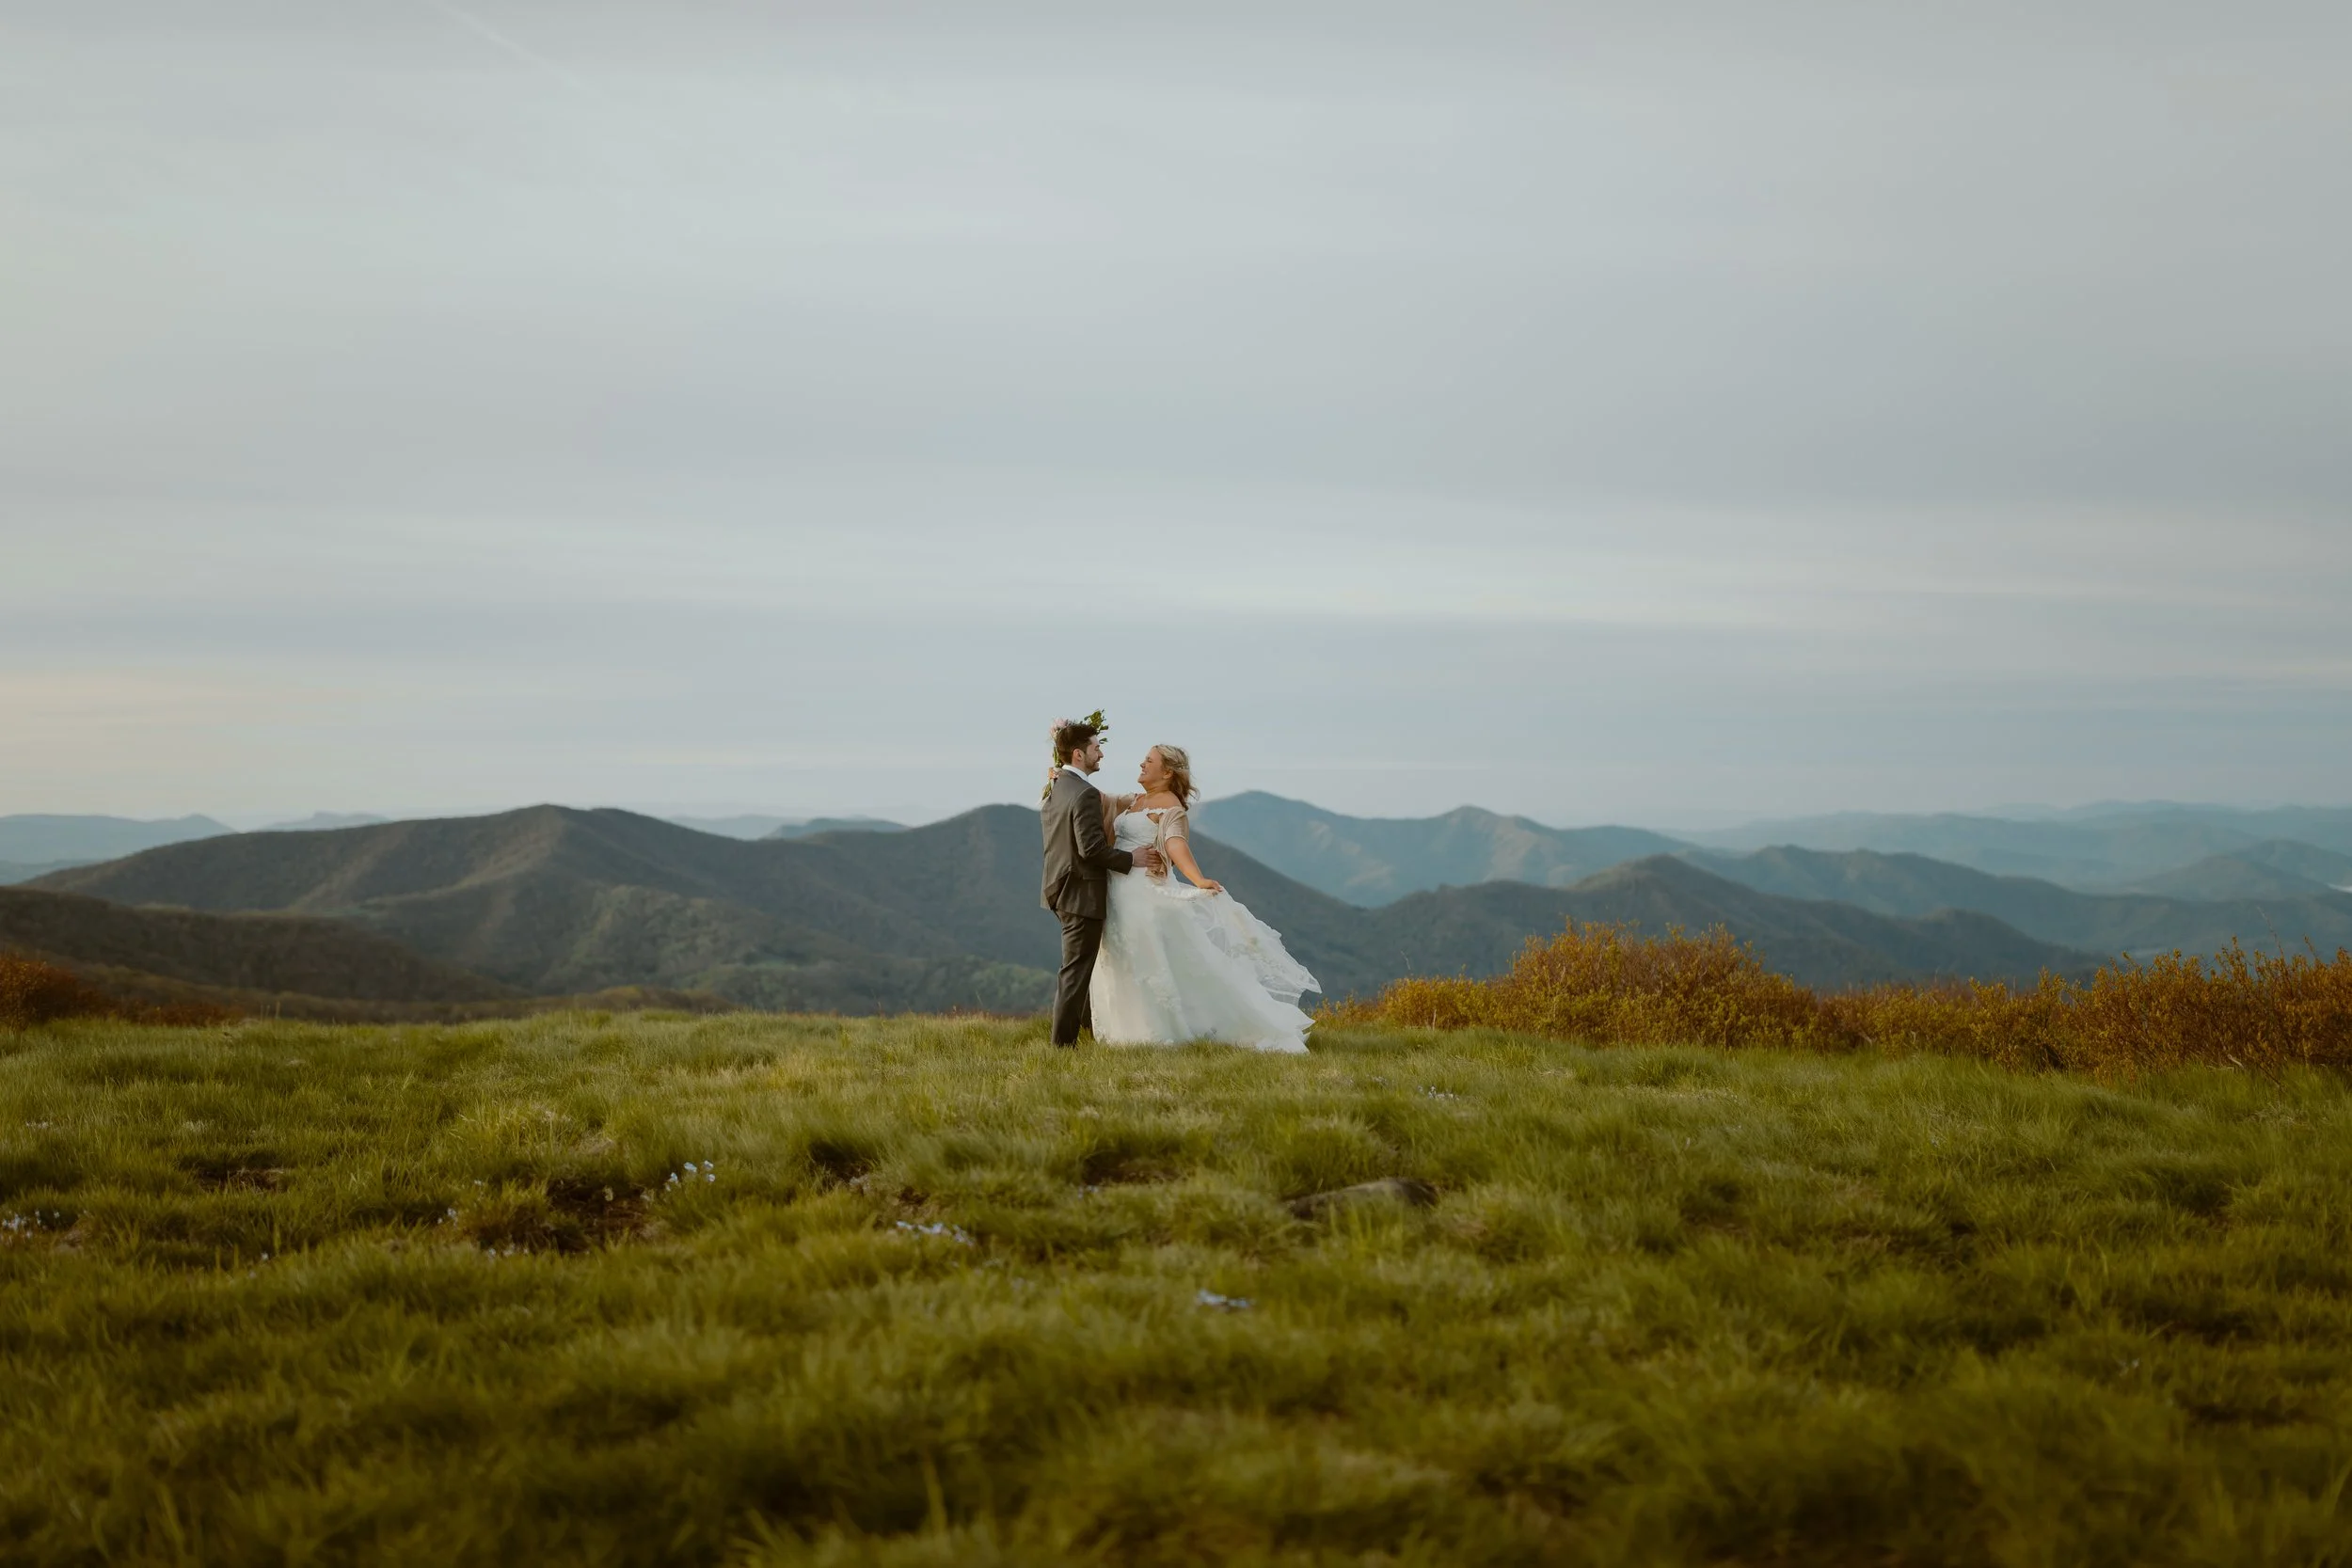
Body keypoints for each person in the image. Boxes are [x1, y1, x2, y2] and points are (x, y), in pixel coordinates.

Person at [1089, 742, 1320, 1053]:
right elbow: (1097, 799)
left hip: (1141, 892)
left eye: (1149, 761)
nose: (1142, 764)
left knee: (1144, 958)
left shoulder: (1171, 808)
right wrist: (1062, 776)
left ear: (1167, 772)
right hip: (1117, 891)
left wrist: (1198, 879)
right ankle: (1126, 1031)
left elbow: (1175, 844)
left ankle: (1156, 1033)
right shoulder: (1134, 800)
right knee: (1119, 958)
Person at [1041, 716, 1162, 1047]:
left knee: (1080, 968)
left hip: (1059, 887)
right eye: (1096, 748)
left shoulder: (1058, 786)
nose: (1101, 753)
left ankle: (1087, 1032)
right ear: (1078, 754)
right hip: (1081, 892)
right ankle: (1062, 1047)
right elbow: (1091, 849)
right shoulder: (1084, 793)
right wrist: (1131, 859)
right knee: (1075, 972)